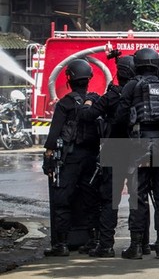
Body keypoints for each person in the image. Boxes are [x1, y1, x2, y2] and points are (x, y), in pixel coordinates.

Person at [115, 48, 159, 260]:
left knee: (138, 197)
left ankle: (136, 246)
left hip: (139, 145)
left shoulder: (133, 85)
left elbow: (121, 116)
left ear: (138, 65)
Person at [78, 55, 137, 257]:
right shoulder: (140, 93)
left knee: (109, 199)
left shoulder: (111, 96)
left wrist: (88, 101)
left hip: (114, 149)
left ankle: (105, 246)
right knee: (139, 199)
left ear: (119, 73)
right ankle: (141, 244)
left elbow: (87, 115)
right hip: (139, 149)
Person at [43, 58, 101, 257]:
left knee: (62, 199)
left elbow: (54, 133)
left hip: (70, 157)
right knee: (91, 199)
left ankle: (61, 244)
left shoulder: (65, 103)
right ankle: (93, 240)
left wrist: (48, 156)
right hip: (92, 158)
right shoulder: (95, 101)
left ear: (70, 78)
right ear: (89, 79)